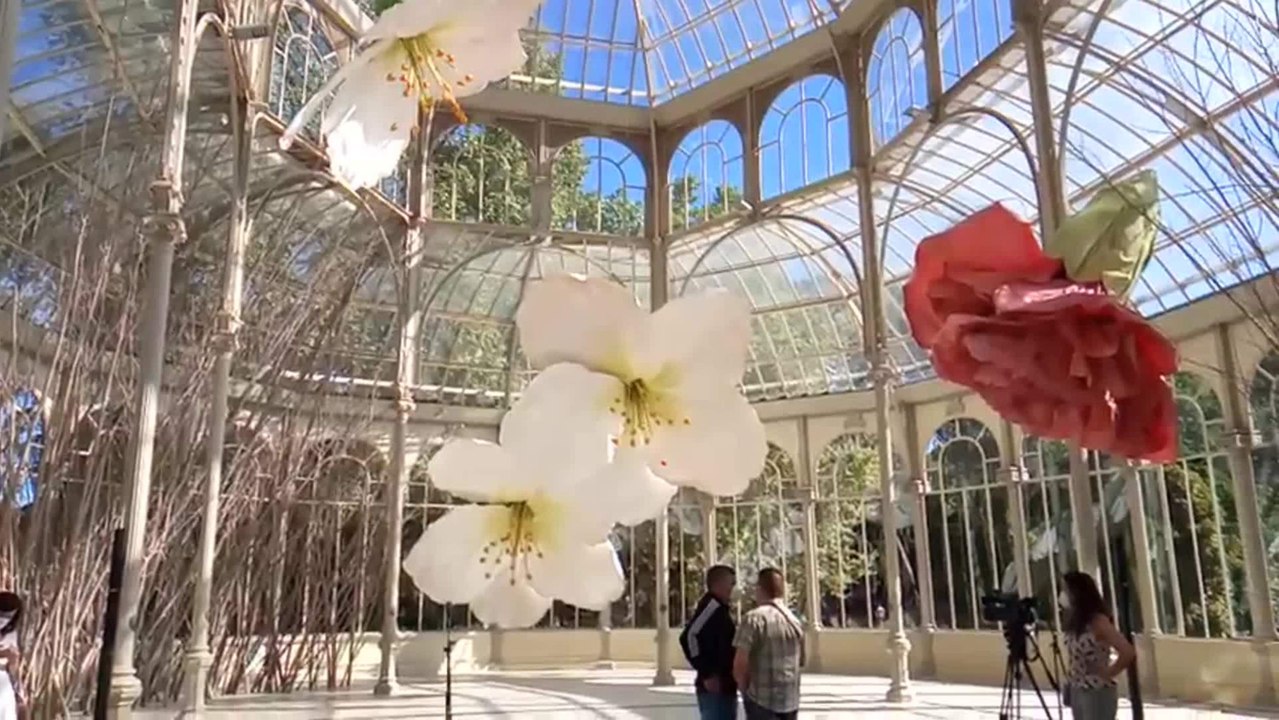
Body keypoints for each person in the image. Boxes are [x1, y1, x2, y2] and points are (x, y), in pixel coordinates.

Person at [1060, 571, 1135, 720]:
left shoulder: (1098, 621)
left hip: (1096, 690)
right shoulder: (1076, 622)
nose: (1063, 595)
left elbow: (1127, 651)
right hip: (1078, 688)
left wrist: (1109, 671)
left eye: (1066, 590)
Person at [733, 568, 804, 720]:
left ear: (759, 589)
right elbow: (801, 660)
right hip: (790, 701)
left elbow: (740, 664)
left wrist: (745, 691)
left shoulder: (753, 619)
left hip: (761, 701)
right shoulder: (794, 621)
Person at [679, 565, 738, 720]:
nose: (733, 587)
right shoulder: (712, 607)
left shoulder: (722, 608)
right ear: (719, 584)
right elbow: (689, 636)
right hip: (714, 688)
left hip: (726, 684)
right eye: (730, 583)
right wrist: (707, 673)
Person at [0, 592, 24, 720]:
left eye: (8, 617)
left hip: (3, 686)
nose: (3, 620)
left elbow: (13, 669)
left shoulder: (10, 634)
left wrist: (19, 694)